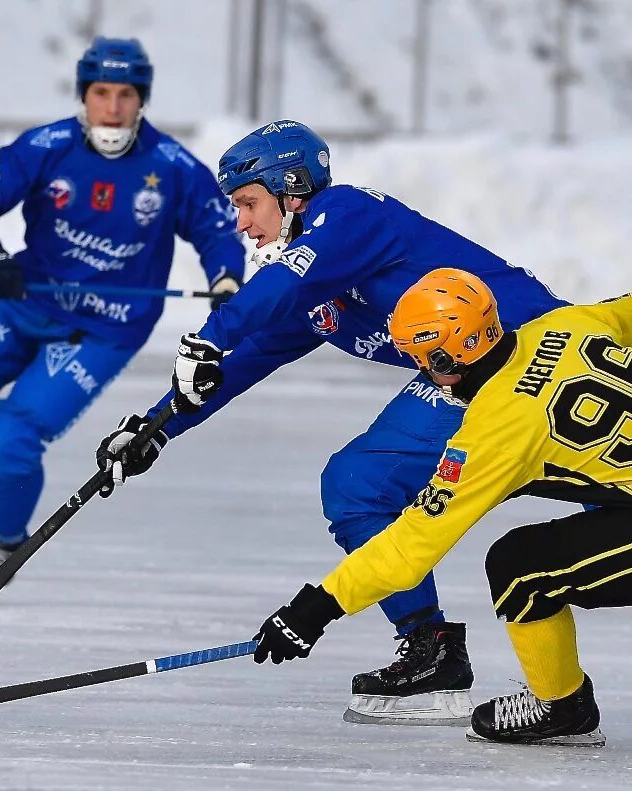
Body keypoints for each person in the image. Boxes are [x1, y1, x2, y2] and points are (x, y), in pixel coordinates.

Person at [96, 120, 567, 725]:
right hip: (465, 383)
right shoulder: (317, 284)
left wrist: (208, 336)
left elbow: (277, 286)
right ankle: (432, 650)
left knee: (604, 507)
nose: (242, 223)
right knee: (355, 485)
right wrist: (157, 425)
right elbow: (245, 358)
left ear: (291, 190)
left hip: (533, 364)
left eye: (248, 203)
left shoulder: (346, 216)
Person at [0, 37, 245, 588]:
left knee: (12, 437)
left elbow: (218, 230)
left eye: (126, 94)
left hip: (103, 329)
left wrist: (226, 278)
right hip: (22, 300)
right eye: (101, 92)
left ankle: (1, 548)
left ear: (142, 100)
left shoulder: (173, 166)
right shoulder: (47, 144)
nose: (112, 107)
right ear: (84, 95)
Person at [253, 270, 630, 747]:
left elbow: (412, 545)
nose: (422, 372)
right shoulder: (564, 326)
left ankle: (564, 708)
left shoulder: (493, 430)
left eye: (420, 360)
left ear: (445, 356)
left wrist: (315, 608)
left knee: (521, 568)